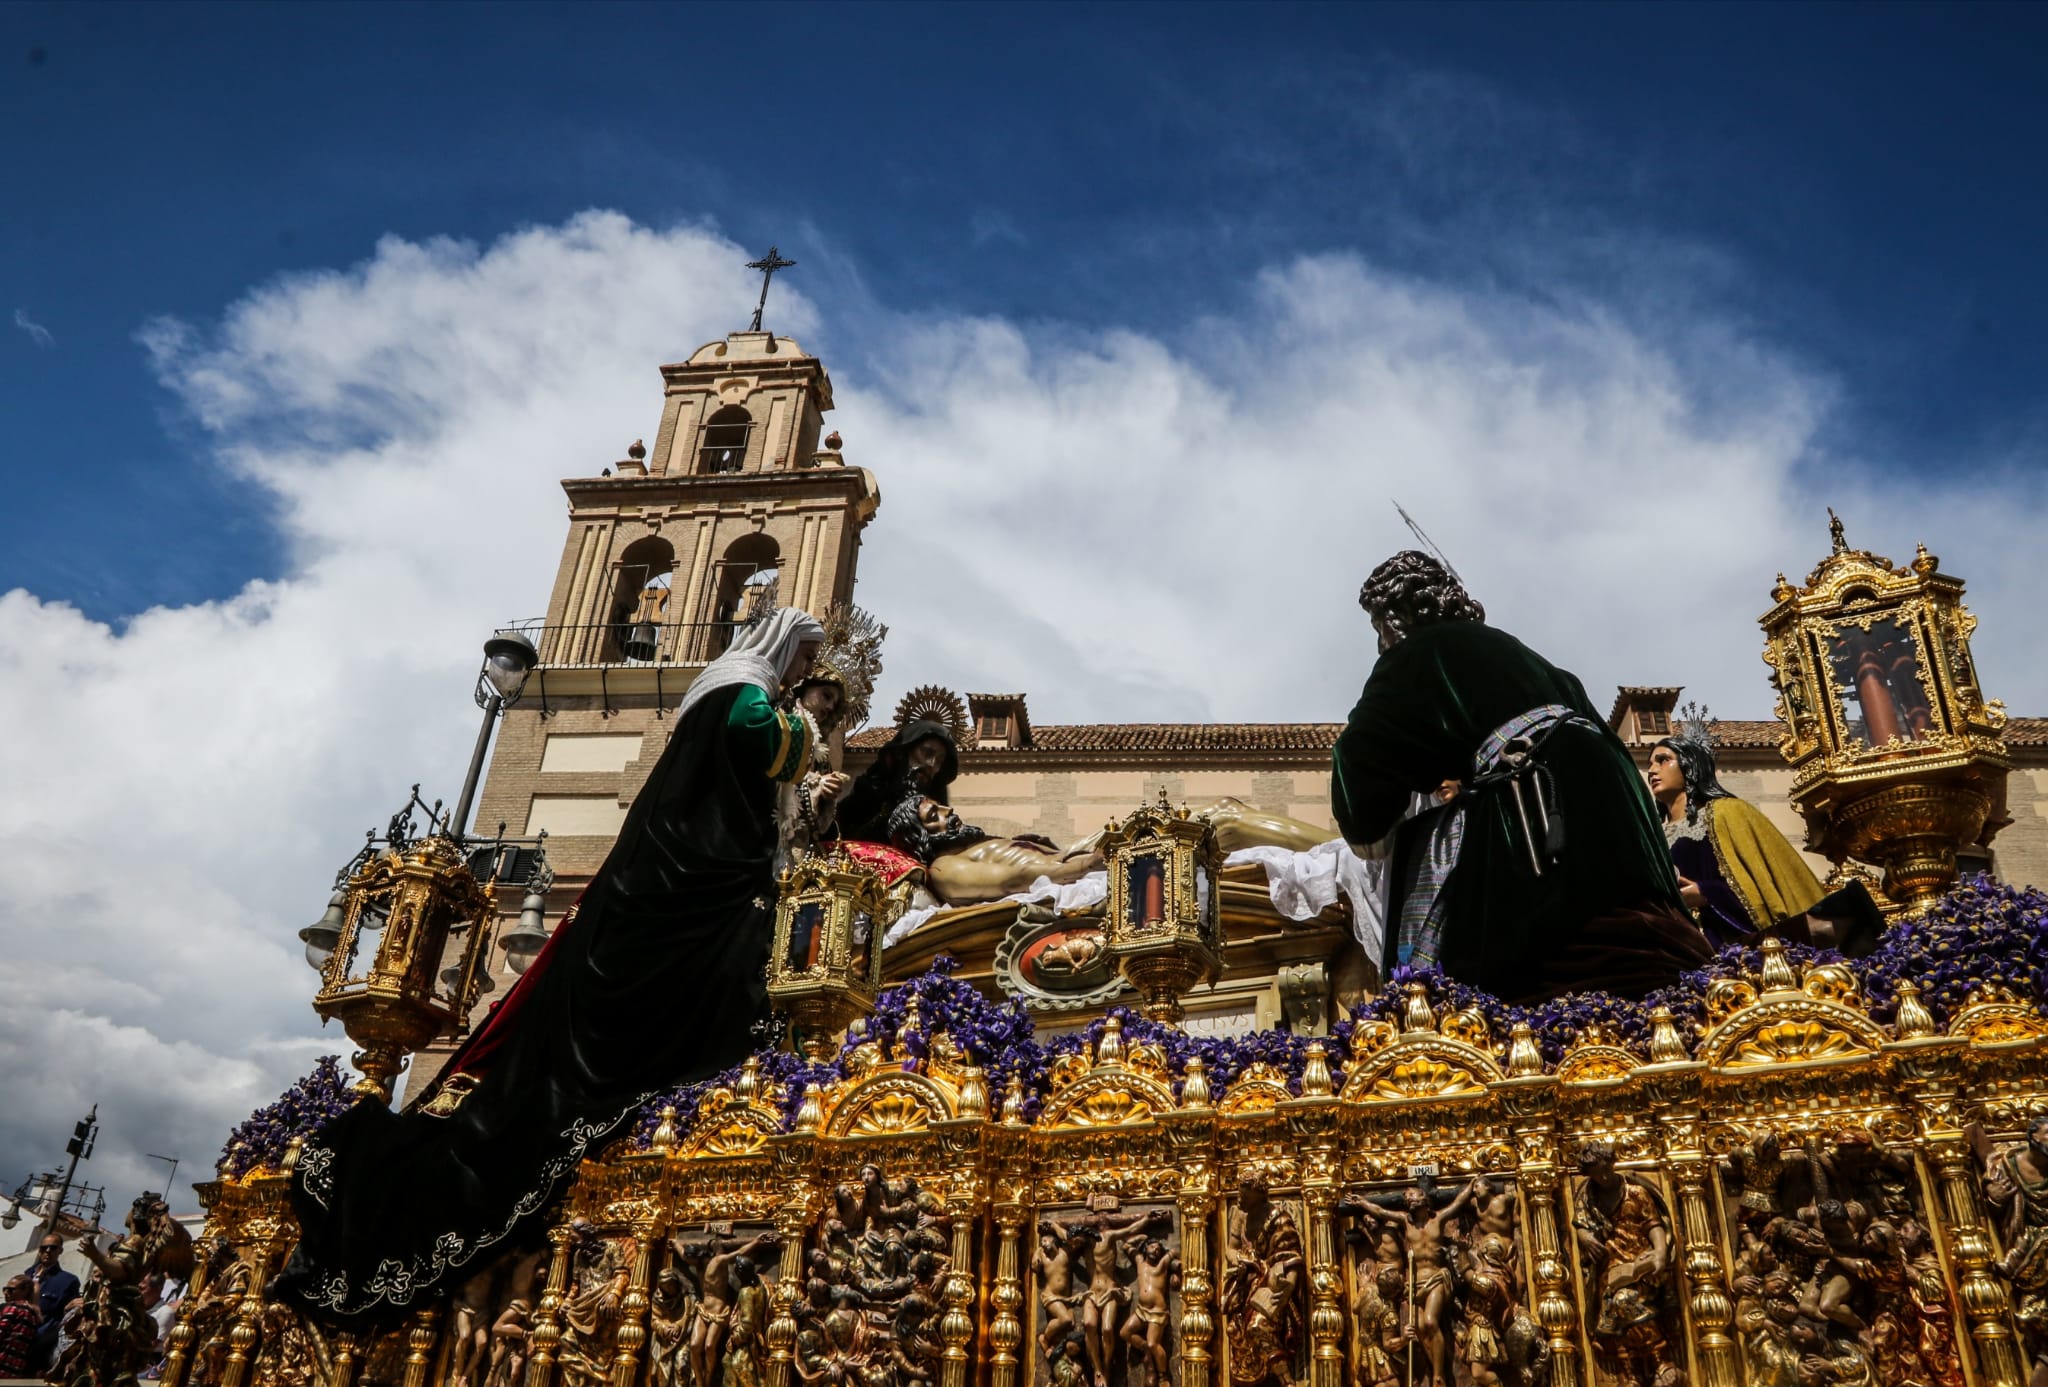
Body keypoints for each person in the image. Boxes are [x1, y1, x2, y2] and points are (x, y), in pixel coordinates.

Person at [280, 608, 827, 1324]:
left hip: (689, 875)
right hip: (684, 885)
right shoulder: (741, 685)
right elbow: (762, 736)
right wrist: (809, 732)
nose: (801, 674)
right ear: (778, 645)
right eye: (801, 659)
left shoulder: (727, 687)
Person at [1330, 551, 1710, 1002]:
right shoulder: (1533, 660)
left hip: (1535, 812)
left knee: (1547, 968)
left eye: (1380, 628)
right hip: (1620, 811)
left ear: (1400, 616)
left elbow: (1361, 782)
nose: (1381, 643)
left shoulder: (1415, 655)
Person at [1645, 734, 1881, 954]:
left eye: (1663, 760)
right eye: (1650, 764)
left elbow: (1760, 885)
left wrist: (1705, 894)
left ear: (1690, 766)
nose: (1652, 770)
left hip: (1734, 938)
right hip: (1679, 943)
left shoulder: (1727, 812)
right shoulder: (1656, 838)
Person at [29, 1232, 79, 1373]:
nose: (48, 1251)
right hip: (17, 1340)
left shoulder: (67, 1281)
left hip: (41, 1344)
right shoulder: (26, 1275)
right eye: (44, 1248)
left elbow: (68, 1317)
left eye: (53, 1248)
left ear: (60, 1251)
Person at [0, 1276, 41, 1380]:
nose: (6, 1293)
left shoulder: (13, 1308)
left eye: (11, 1290)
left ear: (25, 1291)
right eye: (5, 1289)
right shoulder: (33, 1315)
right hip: (13, 1370)